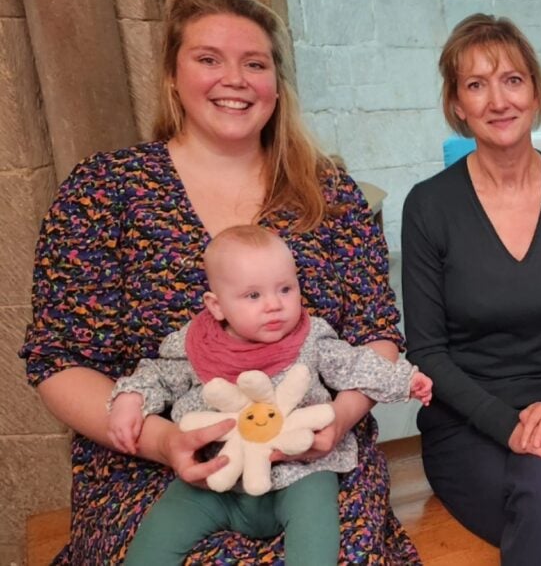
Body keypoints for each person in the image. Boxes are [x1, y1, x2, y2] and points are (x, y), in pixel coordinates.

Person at [20, 0, 422, 563]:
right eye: (209, 59)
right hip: (151, 466)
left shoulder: (327, 193)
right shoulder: (104, 191)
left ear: (276, 86)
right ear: (172, 75)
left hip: (309, 456)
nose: (233, 79)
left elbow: (377, 334)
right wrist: (164, 442)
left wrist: (336, 420)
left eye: (254, 64)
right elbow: (59, 360)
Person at [402, 13, 541, 565]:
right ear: (457, 104)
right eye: (476, 85)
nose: (498, 100)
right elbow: (426, 351)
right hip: (464, 420)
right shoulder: (429, 206)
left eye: (512, 80)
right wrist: (508, 426)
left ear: (534, 91)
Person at [107, 225, 433, 565]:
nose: (274, 305)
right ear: (216, 306)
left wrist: (405, 380)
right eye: (253, 296)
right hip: (217, 475)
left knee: (317, 534)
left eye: (285, 289)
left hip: (300, 472)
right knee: (156, 536)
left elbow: (357, 364)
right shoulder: (197, 346)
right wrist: (130, 398)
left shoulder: (310, 339)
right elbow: (158, 375)